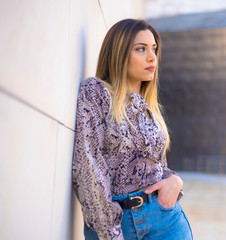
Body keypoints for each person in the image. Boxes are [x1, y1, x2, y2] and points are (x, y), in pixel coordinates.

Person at [72, 19, 193, 240]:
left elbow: (156, 166)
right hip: (116, 224)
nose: (152, 57)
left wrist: (175, 181)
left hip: (166, 222)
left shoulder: (150, 109)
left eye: (154, 49)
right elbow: (88, 167)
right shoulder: (97, 92)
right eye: (141, 49)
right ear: (119, 53)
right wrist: (111, 233)